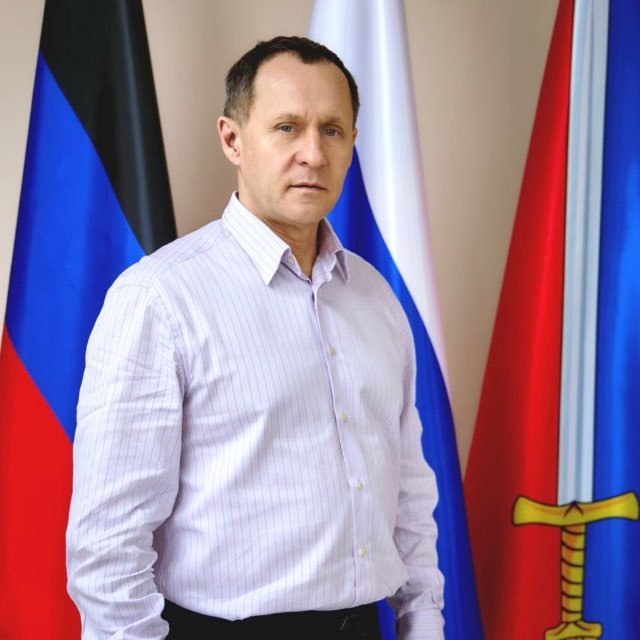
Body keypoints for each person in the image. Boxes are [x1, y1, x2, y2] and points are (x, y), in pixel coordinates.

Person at [66, 36, 445, 639]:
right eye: (287, 128)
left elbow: (408, 494)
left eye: (332, 131)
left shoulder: (376, 298)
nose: (312, 154)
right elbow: (108, 545)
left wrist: (423, 623)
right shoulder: (159, 298)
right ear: (232, 139)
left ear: (352, 144)